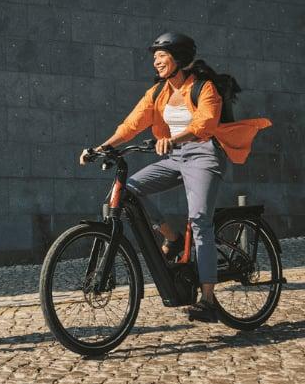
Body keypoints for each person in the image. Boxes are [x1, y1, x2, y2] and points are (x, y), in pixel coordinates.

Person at [80, 32, 271, 322]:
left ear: (179, 58)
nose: (155, 62)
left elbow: (205, 124)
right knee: (129, 189)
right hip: (175, 156)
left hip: (204, 154)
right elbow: (132, 124)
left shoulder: (204, 88)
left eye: (162, 56)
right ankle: (172, 237)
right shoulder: (159, 92)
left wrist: (174, 139)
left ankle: (208, 300)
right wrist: (101, 148)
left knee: (200, 221)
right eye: (154, 57)